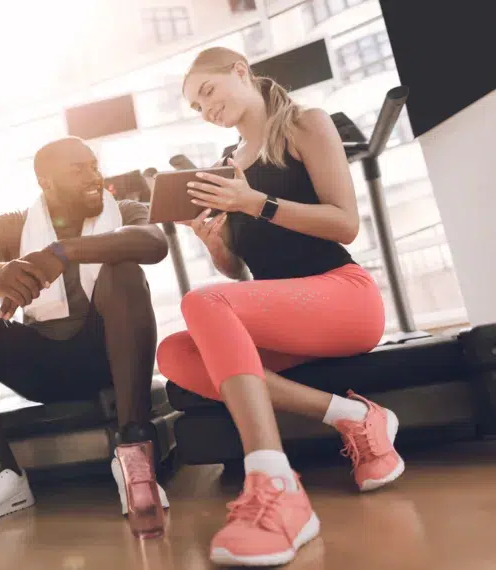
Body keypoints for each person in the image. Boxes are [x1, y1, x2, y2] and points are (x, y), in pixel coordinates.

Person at [156, 47, 404, 566]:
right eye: (196, 108)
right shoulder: (227, 167)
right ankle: (354, 417)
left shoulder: (303, 123)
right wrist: (214, 242)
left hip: (343, 295)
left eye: (208, 92)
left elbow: (344, 223)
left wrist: (255, 204)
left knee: (203, 302)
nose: (207, 109)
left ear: (240, 71)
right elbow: (238, 276)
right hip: (287, 320)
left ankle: (275, 483)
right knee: (175, 354)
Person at [0, 136, 171, 534]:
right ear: (45, 182)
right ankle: (4, 476)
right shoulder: (10, 226)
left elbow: (155, 242)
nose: (93, 176)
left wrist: (62, 252)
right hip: (43, 366)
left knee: (123, 271)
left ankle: (134, 455)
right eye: (77, 170)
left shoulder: (123, 209)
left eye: (94, 165)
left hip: (110, 359)